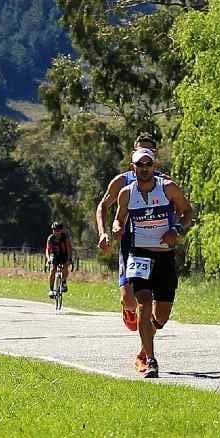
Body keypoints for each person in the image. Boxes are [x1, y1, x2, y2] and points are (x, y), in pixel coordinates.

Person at [112, 147, 194, 379]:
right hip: (139, 254)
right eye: (140, 165)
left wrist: (175, 229)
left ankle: (144, 341)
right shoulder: (127, 193)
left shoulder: (168, 188)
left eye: (148, 165)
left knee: (162, 316)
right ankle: (150, 360)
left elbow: (187, 212)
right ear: (133, 168)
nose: (144, 169)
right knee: (144, 303)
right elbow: (119, 218)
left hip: (164, 255)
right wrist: (117, 227)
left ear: (154, 167)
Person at [96, 133, 162, 332]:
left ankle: (146, 346)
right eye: (139, 151)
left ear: (154, 157)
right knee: (129, 300)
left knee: (151, 300)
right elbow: (103, 206)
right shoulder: (121, 181)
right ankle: (129, 309)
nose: (143, 157)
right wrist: (103, 232)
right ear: (133, 155)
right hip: (129, 245)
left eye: (148, 152)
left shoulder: (163, 182)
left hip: (154, 244)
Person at [45, 222, 73, 298]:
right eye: (54, 230)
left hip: (63, 254)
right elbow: (47, 250)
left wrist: (69, 258)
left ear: (61, 230)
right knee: (52, 270)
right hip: (54, 255)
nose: (56, 232)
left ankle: (63, 282)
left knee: (66, 266)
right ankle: (51, 290)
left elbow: (69, 248)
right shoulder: (50, 238)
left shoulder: (65, 238)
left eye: (58, 230)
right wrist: (48, 259)